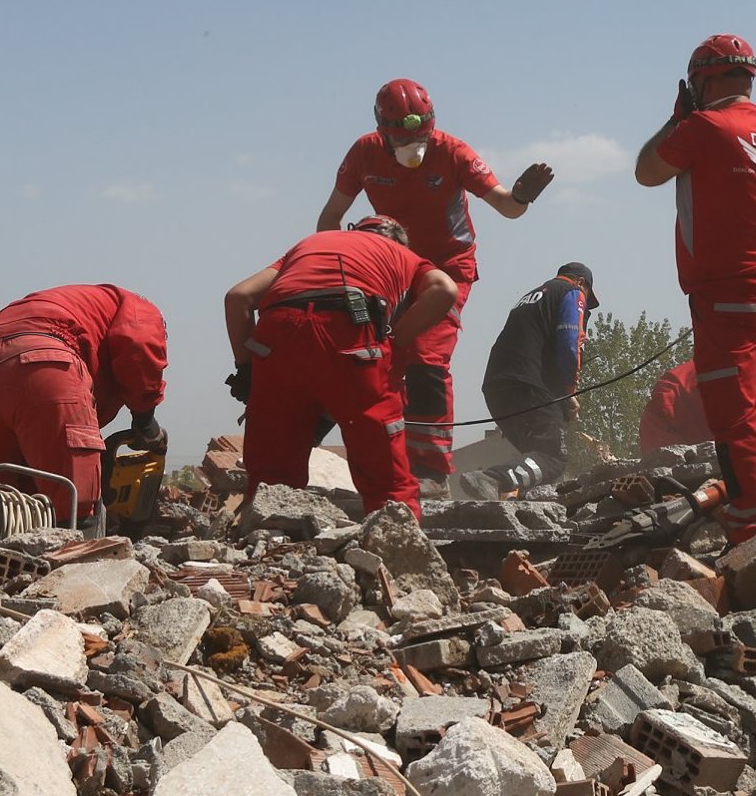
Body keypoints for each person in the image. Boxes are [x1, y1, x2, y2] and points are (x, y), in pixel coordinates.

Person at [317, 79, 554, 492]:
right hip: (392, 268)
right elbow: (331, 216)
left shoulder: (453, 152)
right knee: (380, 357)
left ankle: (431, 472)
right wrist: (339, 271)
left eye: (421, 137)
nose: (415, 148)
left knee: (426, 355)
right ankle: (391, 459)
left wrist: (520, 196)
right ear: (382, 132)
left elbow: (505, 206)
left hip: (449, 269)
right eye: (403, 140)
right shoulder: (363, 153)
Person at [635, 34, 756, 544]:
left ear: (700, 81)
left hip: (724, 290)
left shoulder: (704, 128)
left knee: (730, 403)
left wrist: (677, 120)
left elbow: (646, 172)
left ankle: (752, 513)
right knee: (755, 390)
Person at [224, 216, 458, 517]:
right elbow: (445, 290)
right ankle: (396, 546)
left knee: (272, 482)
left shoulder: (308, 245)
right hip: (351, 330)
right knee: (388, 484)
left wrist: (246, 370)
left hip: (278, 329)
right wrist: (395, 341)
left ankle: (265, 543)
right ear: (398, 241)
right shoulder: (405, 256)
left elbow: (238, 297)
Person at [0, 286, 167, 524]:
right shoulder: (141, 308)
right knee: (74, 500)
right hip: (46, 363)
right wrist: (145, 420)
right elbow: (140, 348)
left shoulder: (79, 304)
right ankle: (77, 552)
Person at [464, 263, 598, 498]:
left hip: (497, 386)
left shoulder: (532, 297)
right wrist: (569, 393)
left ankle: (516, 504)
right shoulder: (572, 292)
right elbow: (569, 342)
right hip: (529, 386)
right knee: (553, 458)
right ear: (581, 282)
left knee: (534, 458)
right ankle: (490, 479)